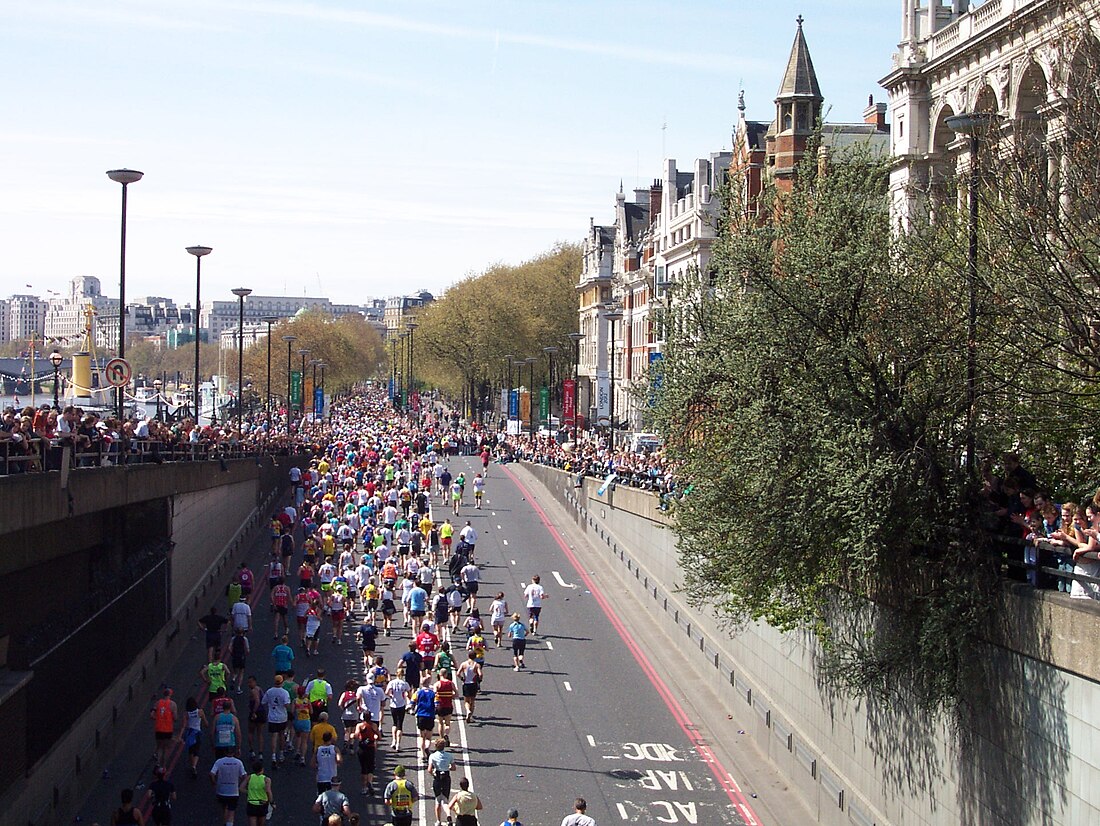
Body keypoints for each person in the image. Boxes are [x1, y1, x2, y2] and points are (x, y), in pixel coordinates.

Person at [210, 750, 247, 826]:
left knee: (224, 808)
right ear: (234, 752)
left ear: (225, 752)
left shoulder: (219, 761)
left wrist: (214, 783)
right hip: (233, 791)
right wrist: (240, 783)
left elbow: (211, 774)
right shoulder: (238, 762)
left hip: (221, 790)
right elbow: (244, 775)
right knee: (231, 811)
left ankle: (225, 822)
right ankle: (229, 823)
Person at [262, 675, 292, 768]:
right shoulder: (284, 692)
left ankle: (273, 756)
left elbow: (263, 702)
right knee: (281, 735)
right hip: (282, 717)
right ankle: (281, 754)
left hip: (272, 716)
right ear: (282, 682)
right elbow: (287, 705)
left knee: (274, 736)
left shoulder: (269, 691)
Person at [429, 737, 456, 826]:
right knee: (445, 800)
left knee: (438, 800)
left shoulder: (432, 756)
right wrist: (448, 767)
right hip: (446, 778)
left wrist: (433, 774)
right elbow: (453, 768)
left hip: (437, 778)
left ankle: (438, 821)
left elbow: (429, 769)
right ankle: (448, 816)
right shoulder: (449, 755)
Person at [385, 666, 412, 751]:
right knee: (400, 725)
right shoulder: (405, 684)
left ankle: (393, 740)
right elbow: (409, 693)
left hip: (393, 705)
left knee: (394, 723)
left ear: (396, 674)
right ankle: (398, 744)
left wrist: (391, 696)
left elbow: (387, 692)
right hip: (401, 705)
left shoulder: (392, 683)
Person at [150, 687, 177, 769]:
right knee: (166, 748)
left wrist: (157, 718)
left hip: (158, 728)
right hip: (168, 729)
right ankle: (164, 766)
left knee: (160, 747)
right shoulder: (173, 704)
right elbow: (175, 718)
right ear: (170, 694)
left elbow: (151, 715)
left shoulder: (158, 703)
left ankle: (158, 763)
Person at [354, 716, 380, 797]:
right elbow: (379, 736)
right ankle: (370, 782)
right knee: (370, 767)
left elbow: (356, 735)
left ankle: (364, 787)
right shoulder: (374, 725)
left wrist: (353, 736)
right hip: (370, 748)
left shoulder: (360, 726)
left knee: (363, 767)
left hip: (362, 748)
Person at [182, 696, 208, 778]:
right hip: (197, 733)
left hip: (190, 733)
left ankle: (192, 764)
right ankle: (194, 766)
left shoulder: (186, 714)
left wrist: (180, 735)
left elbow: (184, 725)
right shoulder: (200, 712)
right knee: (197, 750)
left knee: (191, 751)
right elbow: (205, 723)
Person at [244, 760, 273, 826]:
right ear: (262, 769)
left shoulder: (250, 777)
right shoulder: (266, 779)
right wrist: (271, 802)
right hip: (262, 803)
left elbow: (241, 788)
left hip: (252, 803)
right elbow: (268, 791)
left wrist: (250, 791)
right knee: (261, 823)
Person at [456, 651, 482, 723]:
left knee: (466, 700)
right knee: (472, 700)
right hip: (473, 684)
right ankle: (470, 716)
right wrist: (479, 680)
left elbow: (458, 673)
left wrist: (462, 678)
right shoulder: (477, 665)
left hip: (466, 684)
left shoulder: (464, 664)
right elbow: (480, 674)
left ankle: (467, 711)